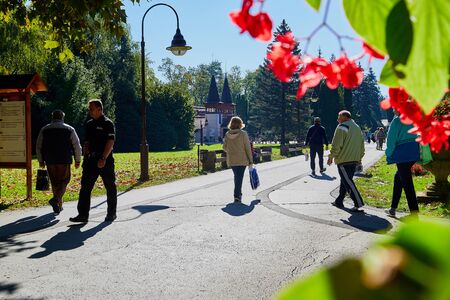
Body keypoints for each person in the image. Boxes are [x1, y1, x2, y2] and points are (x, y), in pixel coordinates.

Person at [70, 99, 117, 223]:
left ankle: (111, 213)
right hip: (91, 160)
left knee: (110, 187)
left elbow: (110, 142)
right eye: (89, 109)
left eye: (91, 109)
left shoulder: (108, 123)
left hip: (104, 160)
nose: (89, 111)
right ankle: (82, 215)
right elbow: (87, 141)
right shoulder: (89, 124)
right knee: (85, 187)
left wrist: (103, 158)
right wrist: (85, 151)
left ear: (99, 110)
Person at [36, 110, 82, 214]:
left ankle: (59, 205)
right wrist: (77, 160)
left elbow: (39, 146)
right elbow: (76, 145)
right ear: (62, 117)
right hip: (64, 159)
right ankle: (56, 200)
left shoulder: (45, 129)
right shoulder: (69, 129)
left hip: (50, 159)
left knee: (54, 182)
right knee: (65, 180)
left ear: (52, 117)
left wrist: (40, 160)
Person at [327, 110, 365, 212]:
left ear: (345, 117)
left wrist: (331, 157)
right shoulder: (357, 128)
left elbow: (336, 144)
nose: (337, 119)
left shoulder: (342, 127)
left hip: (344, 159)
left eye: (339, 116)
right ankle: (339, 201)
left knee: (348, 182)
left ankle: (358, 203)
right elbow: (362, 145)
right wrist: (359, 158)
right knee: (345, 180)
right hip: (354, 159)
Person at [384, 111, 420, 218]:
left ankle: (414, 214)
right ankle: (392, 209)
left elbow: (391, 140)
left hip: (402, 155)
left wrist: (389, 154)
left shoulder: (396, 121)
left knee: (407, 184)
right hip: (414, 153)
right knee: (398, 179)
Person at [223, 116, 253, 203]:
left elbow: (224, 148)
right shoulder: (243, 134)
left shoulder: (227, 134)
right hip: (242, 159)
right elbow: (247, 147)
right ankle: (237, 195)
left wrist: (231, 150)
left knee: (237, 177)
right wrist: (250, 160)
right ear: (240, 124)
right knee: (239, 177)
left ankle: (238, 194)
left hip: (232, 159)